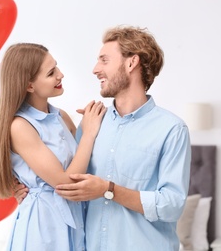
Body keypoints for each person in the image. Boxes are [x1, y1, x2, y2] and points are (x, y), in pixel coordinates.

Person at [53, 26, 191, 250]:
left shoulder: (172, 129)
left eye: (104, 60)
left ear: (131, 63)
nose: (95, 69)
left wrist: (108, 189)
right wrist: (25, 187)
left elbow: (172, 205)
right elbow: (68, 183)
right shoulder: (91, 123)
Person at [0, 43, 106, 251]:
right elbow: (64, 183)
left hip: (74, 214)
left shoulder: (60, 116)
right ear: (29, 85)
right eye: (51, 72)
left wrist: (92, 123)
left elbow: (83, 161)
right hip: (44, 223)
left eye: (57, 67)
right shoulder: (20, 126)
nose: (61, 75)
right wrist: (88, 132)